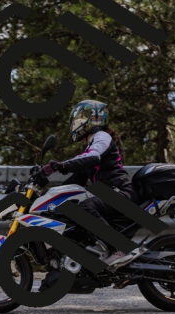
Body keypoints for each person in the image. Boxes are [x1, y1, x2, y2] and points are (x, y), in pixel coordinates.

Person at [40, 100, 138, 269]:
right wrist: (46, 195)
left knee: (85, 207)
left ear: (94, 119)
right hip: (109, 193)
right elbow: (74, 181)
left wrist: (62, 165)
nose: (77, 123)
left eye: (81, 118)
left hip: (120, 191)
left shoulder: (102, 137)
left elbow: (92, 157)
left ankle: (120, 247)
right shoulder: (91, 147)